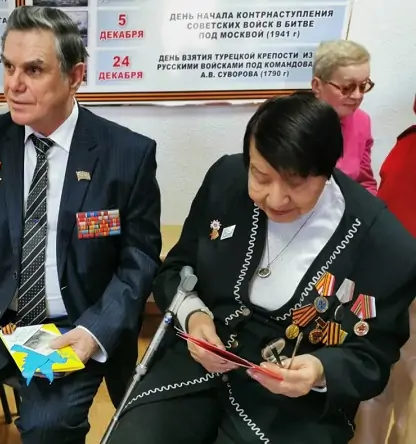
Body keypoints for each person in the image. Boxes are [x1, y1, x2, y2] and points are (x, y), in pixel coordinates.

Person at [0, 6, 162, 444]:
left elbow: (139, 260)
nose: (13, 84)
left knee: (47, 428)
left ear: (75, 76)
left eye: (33, 70)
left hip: (70, 326)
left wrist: (94, 331)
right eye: (8, 66)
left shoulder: (126, 155)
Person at [107, 92, 416, 444]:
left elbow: (373, 356)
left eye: (296, 183)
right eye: (261, 176)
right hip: (196, 365)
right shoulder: (227, 180)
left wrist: (318, 371)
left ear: (328, 170)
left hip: (292, 401)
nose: (275, 198)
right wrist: (194, 316)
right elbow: (177, 268)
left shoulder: (383, 245)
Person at [351, 95, 416, 444]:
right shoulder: (408, 143)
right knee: (381, 374)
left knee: (398, 378)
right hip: (385, 270)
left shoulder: (406, 142)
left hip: (393, 271)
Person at [311, 39, 377, 194]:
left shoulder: (362, 121)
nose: (357, 96)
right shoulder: (290, 121)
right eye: (347, 87)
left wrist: (370, 207)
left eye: (363, 86)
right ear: (317, 86)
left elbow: (364, 182)